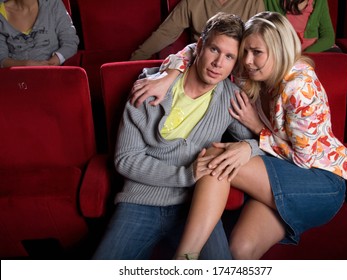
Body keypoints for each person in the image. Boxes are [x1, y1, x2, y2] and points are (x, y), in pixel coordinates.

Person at [130, 11, 347, 260]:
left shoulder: (299, 86)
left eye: (257, 52)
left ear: (278, 51)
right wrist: (169, 75)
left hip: (319, 181)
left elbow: (302, 160)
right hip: (280, 173)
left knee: (217, 157)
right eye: (245, 51)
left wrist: (257, 131)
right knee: (239, 252)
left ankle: (184, 259)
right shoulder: (251, 72)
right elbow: (199, 47)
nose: (247, 60)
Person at [93, 12, 264, 260]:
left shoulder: (230, 97)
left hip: (196, 207)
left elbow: (263, 142)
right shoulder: (150, 86)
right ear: (200, 46)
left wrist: (248, 146)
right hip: (141, 201)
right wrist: (186, 174)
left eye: (229, 57)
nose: (219, 63)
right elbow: (125, 159)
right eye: (215, 49)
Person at [130, 0, 265, 61]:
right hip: (200, 61)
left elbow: (261, 41)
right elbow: (165, 32)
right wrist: (135, 59)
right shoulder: (193, 2)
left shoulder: (254, 2)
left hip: (236, 65)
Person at [0, 0, 79, 67]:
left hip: (53, 76)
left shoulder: (53, 4)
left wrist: (55, 60)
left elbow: (70, 42)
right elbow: (1, 59)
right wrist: (26, 64)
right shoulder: (1, 12)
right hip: (16, 80)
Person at [265, 0, 339, 52]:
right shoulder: (271, 2)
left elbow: (328, 36)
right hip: (284, 52)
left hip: (313, 50)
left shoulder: (319, 1)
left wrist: (306, 55)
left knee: (338, 58)